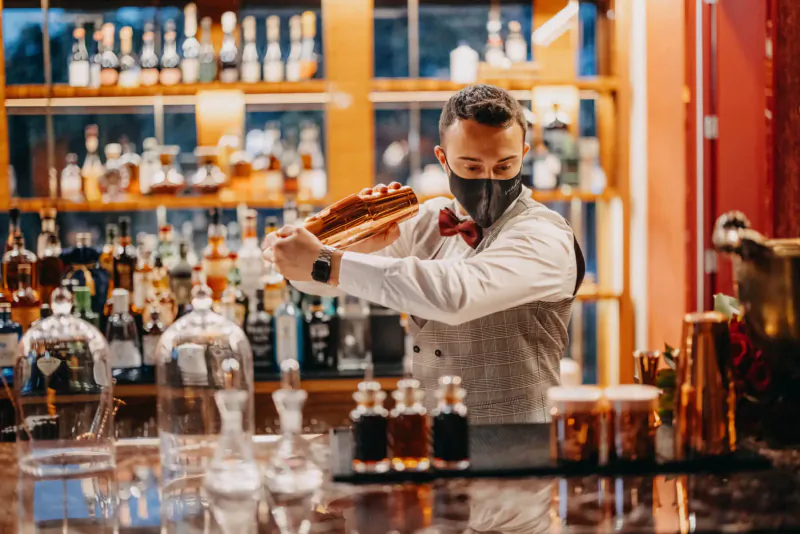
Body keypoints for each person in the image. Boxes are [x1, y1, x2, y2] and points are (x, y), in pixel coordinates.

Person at [264, 84, 585, 424]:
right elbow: (317, 283)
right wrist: (356, 244)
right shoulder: (427, 221)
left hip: (521, 450)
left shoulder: (544, 235)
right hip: (433, 442)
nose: (489, 180)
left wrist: (328, 261)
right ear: (443, 160)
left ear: (523, 154)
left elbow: (456, 294)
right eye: (472, 167)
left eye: (504, 167)